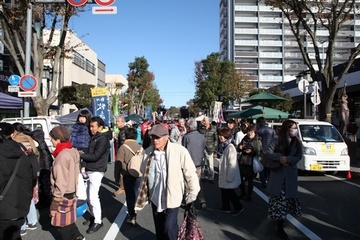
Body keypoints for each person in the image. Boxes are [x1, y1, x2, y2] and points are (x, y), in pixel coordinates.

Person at [135, 124, 200, 240]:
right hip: (155, 195)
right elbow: (143, 171)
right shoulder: (149, 152)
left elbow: (190, 173)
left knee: (169, 227)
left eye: (158, 137)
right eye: (153, 137)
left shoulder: (179, 151)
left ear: (167, 137)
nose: (155, 141)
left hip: (172, 195)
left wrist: (193, 193)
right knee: (159, 227)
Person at [263, 120, 303, 240]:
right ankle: (280, 226)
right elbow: (267, 152)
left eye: (295, 128)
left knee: (287, 200)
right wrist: (280, 158)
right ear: (286, 129)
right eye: (292, 128)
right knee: (279, 200)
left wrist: (288, 159)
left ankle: (282, 220)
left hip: (290, 173)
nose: (294, 130)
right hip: (278, 173)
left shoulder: (297, 141)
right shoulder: (277, 139)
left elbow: (299, 156)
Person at [0, 123, 38, 240]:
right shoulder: (22, 149)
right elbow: (34, 173)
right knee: (15, 235)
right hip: (21, 203)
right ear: (12, 134)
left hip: (4, 206)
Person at [49, 126, 84, 240]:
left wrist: (55, 202)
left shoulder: (61, 156)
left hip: (63, 193)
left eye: (52, 140)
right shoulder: (72, 150)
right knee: (69, 220)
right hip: (73, 189)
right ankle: (78, 236)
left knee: (62, 224)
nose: (52, 143)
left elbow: (60, 182)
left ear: (58, 140)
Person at [80, 117, 111, 234]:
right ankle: (94, 216)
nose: (91, 129)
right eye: (90, 126)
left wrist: (80, 155)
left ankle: (98, 221)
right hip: (90, 169)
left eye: (93, 126)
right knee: (88, 196)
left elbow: (95, 156)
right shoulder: (95, 137)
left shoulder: (103, 139)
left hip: (97, 170)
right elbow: (90, 152)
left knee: (93, 197)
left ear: (100, 127)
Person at [12, 123, 39, 236]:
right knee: (29, 197)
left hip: (20, 174)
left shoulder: (14, 141)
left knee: (19, 199)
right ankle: (32, 221)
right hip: (32, 172)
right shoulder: (30, 139)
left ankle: (22, 226)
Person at [117, 127, 142, 226]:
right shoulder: (140, 147)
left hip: (127, 174)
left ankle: (132, 215)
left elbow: (118, 163)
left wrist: (117, 176)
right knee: (136, 193)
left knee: (129, 195)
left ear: (126, 136)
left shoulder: (123, 147)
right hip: (138, 174)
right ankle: (136, 209)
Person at [216, 128, 244, 216]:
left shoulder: (230, 147)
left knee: (230, 192)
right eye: (220, 135)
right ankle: (226, 207)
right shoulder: (225, 146)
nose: (220, 137)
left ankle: (238, 207)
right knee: (224, 191)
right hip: (226, 173)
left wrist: (229, 177)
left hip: (229, 174)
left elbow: (232, 163)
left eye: (222, 135)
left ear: (226, 136)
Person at [182, 118, 207, 210]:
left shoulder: (186, 137)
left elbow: (183, 150)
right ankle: (202, 200)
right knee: (198, 182)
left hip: (189, 163)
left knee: (188, 183)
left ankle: (190, 202)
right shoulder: (202, 136)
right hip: (199, 163)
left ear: (189, 127)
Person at [237, 125, 262, 202]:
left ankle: (249, 195)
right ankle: (243, 193)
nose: (250, 133)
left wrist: (252, 152)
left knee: (250, 180)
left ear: (255, 133)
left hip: (251, 163)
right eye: (248, 131)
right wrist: (239, 147)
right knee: (240, 179)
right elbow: (238, 147)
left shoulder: (257, 141)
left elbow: (260, 152)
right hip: (242, 162)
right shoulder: (244, 138)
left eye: (252, 132)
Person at [32, 129, 54, 209]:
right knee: (46, 185)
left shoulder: (39, 144)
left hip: (43, 168)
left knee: (44, 185)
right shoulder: (43, 143)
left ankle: (45, 202)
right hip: (46, 168)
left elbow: (45, 157)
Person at [70, 109, 92, 181]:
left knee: (84, 159)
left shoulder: (89, 126)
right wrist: (72, 145)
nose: (81, 119)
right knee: (78, 159)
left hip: (86, 145)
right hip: (78, 145)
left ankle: (83, 170)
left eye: (83, 117)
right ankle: (80, 171)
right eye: (80, 117)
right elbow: (73, 136)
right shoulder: (77, 126)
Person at [256, 117, 276, 188]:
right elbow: (275, 140)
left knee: (262, 168)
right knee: (270, 168)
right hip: (271, 150)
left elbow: (257, 141)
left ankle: (263, 183)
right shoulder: (272, 130)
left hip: (262, 150)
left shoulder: (259, 130)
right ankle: (270, 182)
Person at [199, 116, 218, 183]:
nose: (203, 121)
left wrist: (214, 147)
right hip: (201, 148)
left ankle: (211, 177)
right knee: (202, 163)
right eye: (203, 120)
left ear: (209, 122)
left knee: (210, 164)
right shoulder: (200, 128)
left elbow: (216, 139)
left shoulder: (213, 128)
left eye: (205, 120)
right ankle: (202, 176)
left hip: (210, 148)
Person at [113, 115, 127, 195]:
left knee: (122, 170)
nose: (116, 123)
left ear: (122, 122)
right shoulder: (121, 131)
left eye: (118, 121)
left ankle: (122, 188)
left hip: (122, 153)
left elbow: (123, 143)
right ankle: (122, 186)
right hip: (120, 152)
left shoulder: (123, 132)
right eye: (116, 121)